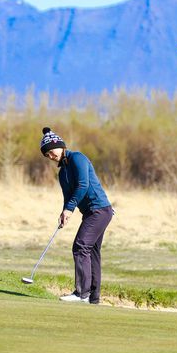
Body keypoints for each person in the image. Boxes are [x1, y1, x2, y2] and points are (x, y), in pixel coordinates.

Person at [40, 127, 113, 304]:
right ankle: (93, 298)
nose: (51, 156)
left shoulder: (78, 158)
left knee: (80, 246)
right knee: (92, 251)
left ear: (60, 146)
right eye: (47, 155)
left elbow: (83, 185)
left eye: (51, 151)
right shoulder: (62, 172)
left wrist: (70, 208)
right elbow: (68, 196)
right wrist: (65, 211)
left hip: (100, 210)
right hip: (91, 213)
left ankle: (82, 293)